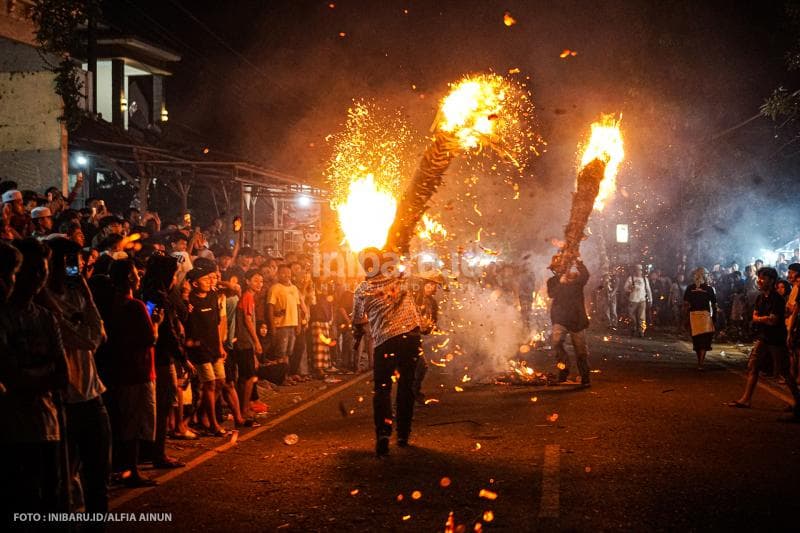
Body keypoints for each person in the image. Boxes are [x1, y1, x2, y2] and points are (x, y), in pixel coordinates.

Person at [0, 238, 69, 514]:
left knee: (50, 501)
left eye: (44, 271)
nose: (39, 278)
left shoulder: (45, 317)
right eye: (32, 271)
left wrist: (26, 376)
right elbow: (11, 376)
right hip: (11, 431)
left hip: (46, 425)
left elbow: (63, 374)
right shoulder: (4, 317)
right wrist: (43, 372)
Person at [43, 237, 110, 511]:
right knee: (63, 483)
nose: (73, 268)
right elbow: (91, 339)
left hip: (92, 396)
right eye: (65, 262)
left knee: (98, 480)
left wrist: (86, 294)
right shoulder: (44, 304)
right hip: (64, 403)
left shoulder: (77, 294)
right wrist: (87, 309)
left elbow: (100, 335)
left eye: (76, 261)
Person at [352, 248, 422, 456]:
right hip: (410, 337)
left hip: (385, 342)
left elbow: (357, 318)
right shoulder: (399, 280)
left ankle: (383, 434)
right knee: (406, 386)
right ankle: (403, 434)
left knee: (382, 389)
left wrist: (361, 325)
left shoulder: (362, 289)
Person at [105, 259, 162, 486]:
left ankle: (127, 468)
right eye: (136, 274)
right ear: (129, 278)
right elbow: (149, 339)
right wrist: (156, 323)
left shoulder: (111, 304)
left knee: (126, 420)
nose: (139, 277)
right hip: (138, 371)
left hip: (120, 370)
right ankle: (132, 470)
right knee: (135, 422)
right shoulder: (135, 305)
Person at [728, 267, 800, 421]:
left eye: (763, 278)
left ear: (771, 280)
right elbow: (755, 317)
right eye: (759, 277)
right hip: (763, 337)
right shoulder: (761, 298)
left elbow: (773, 320)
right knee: (753, 366)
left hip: (776, 339)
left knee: (785, 372)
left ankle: (798, 402)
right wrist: (763, 318)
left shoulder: (777, 299)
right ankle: (746, 399)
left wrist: (762, 318)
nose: (759, 281)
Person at [185, 267, 228, 436]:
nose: (210, 281)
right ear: (195, 284)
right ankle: (213, 424)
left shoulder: (212, 297)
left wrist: (220, 346)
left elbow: (217, 324)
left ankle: (203, 416)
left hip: (213, 347)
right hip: (199, 349)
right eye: (205, 279)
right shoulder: (190, 301)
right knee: (209, 383)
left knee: (220, 382)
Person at [547, 258, 592, 386]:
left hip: (577, 320)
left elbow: (586, 275)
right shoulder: (552, 281)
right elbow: (551, 294)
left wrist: (579, 263)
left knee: (580, 350)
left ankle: (585, 376)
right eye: (556, 268)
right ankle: (563, 371)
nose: (558, 269)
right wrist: (561, 283)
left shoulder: (576, 280)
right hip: (560, 319)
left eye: (561, 267)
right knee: (556, 344)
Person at [233, 269, 264, 425]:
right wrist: (256, 341)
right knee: (249, 377)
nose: (259, 284)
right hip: (245, 342)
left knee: (244, 377)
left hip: (243, 342)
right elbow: (248, 321)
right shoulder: (247, 297)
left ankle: (242, 408)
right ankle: (244, 410)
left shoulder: (249, 297)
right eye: (256, 280)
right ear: (247, 281)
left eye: (261, 281)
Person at [268, 264, 302, 383]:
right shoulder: (275, 288)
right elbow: (270, 308)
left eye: (289, 273)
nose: (287, 275)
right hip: (281, 326)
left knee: (288, 353)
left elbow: (297, 307)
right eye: (283, 273)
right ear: (278, 274)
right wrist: (272, 326)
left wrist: (298, 324)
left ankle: (286, 376)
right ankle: (280, 378)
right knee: (280, 354)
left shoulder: (294, 288)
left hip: (292, 325)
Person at [683, 268, 716, 370]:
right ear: (704, 275)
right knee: (704, 340)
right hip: (704, 316)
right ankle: (700, 363)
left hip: (693, 316)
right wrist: (714, 318)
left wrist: (685, 317)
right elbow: (714, 304)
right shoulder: (709, 289)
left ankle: (700, 362)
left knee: (697, 339)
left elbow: (686, 304)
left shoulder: (690, 288)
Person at [413, 278, 440, 404]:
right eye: (430, 285)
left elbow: (433, 320)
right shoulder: (414, 299)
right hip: (408, 337)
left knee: (420, 367)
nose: (432, 288)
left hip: (418, 337)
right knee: (420, 366)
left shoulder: (432, 302)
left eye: (434, 285)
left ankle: (413, 392)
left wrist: (430, 326)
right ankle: (411, 394)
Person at [624, 264, 652, 337]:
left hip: (642, 300)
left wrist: (650, 299)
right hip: (632, 300)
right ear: (635, 270)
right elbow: (625, 288)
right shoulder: (631, 278)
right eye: (637, 269)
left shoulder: (645, 279)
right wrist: (630, 289)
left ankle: (641, 331)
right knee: (630, 315)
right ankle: (633, 327)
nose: (639, 271)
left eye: (640, 269)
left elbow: (648, 290)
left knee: (642, 317)